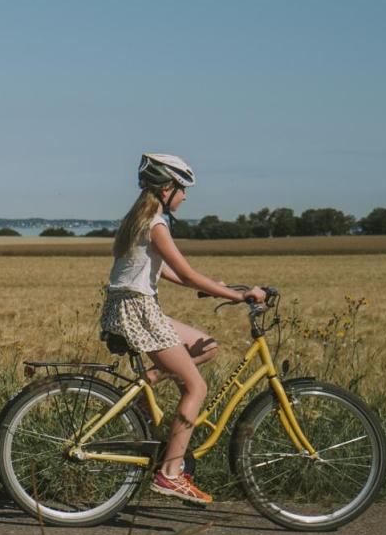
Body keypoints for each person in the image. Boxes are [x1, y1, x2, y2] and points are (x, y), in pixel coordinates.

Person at [104, 153, 266, 505]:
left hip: (133, 307)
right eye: (182, 189)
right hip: (138, 311)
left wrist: (212, 289)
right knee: (196, 386)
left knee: (205, 346)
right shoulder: (156, 224)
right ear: (166, 189)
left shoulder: (139, 219)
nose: (186, 196)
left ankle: (146, 388)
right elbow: (189, 272)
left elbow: (160, 270)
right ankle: (170, 474)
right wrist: (238, 295)